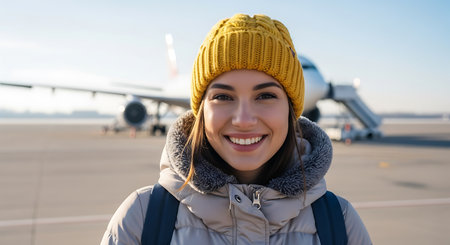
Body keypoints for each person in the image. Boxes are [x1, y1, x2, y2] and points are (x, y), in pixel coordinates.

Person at [101, 13, 372, 244]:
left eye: (265, 96)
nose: (243, 120)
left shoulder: (339, 222)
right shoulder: (143, 216)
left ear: (292, 110)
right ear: (200, 110)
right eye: (223, 96)